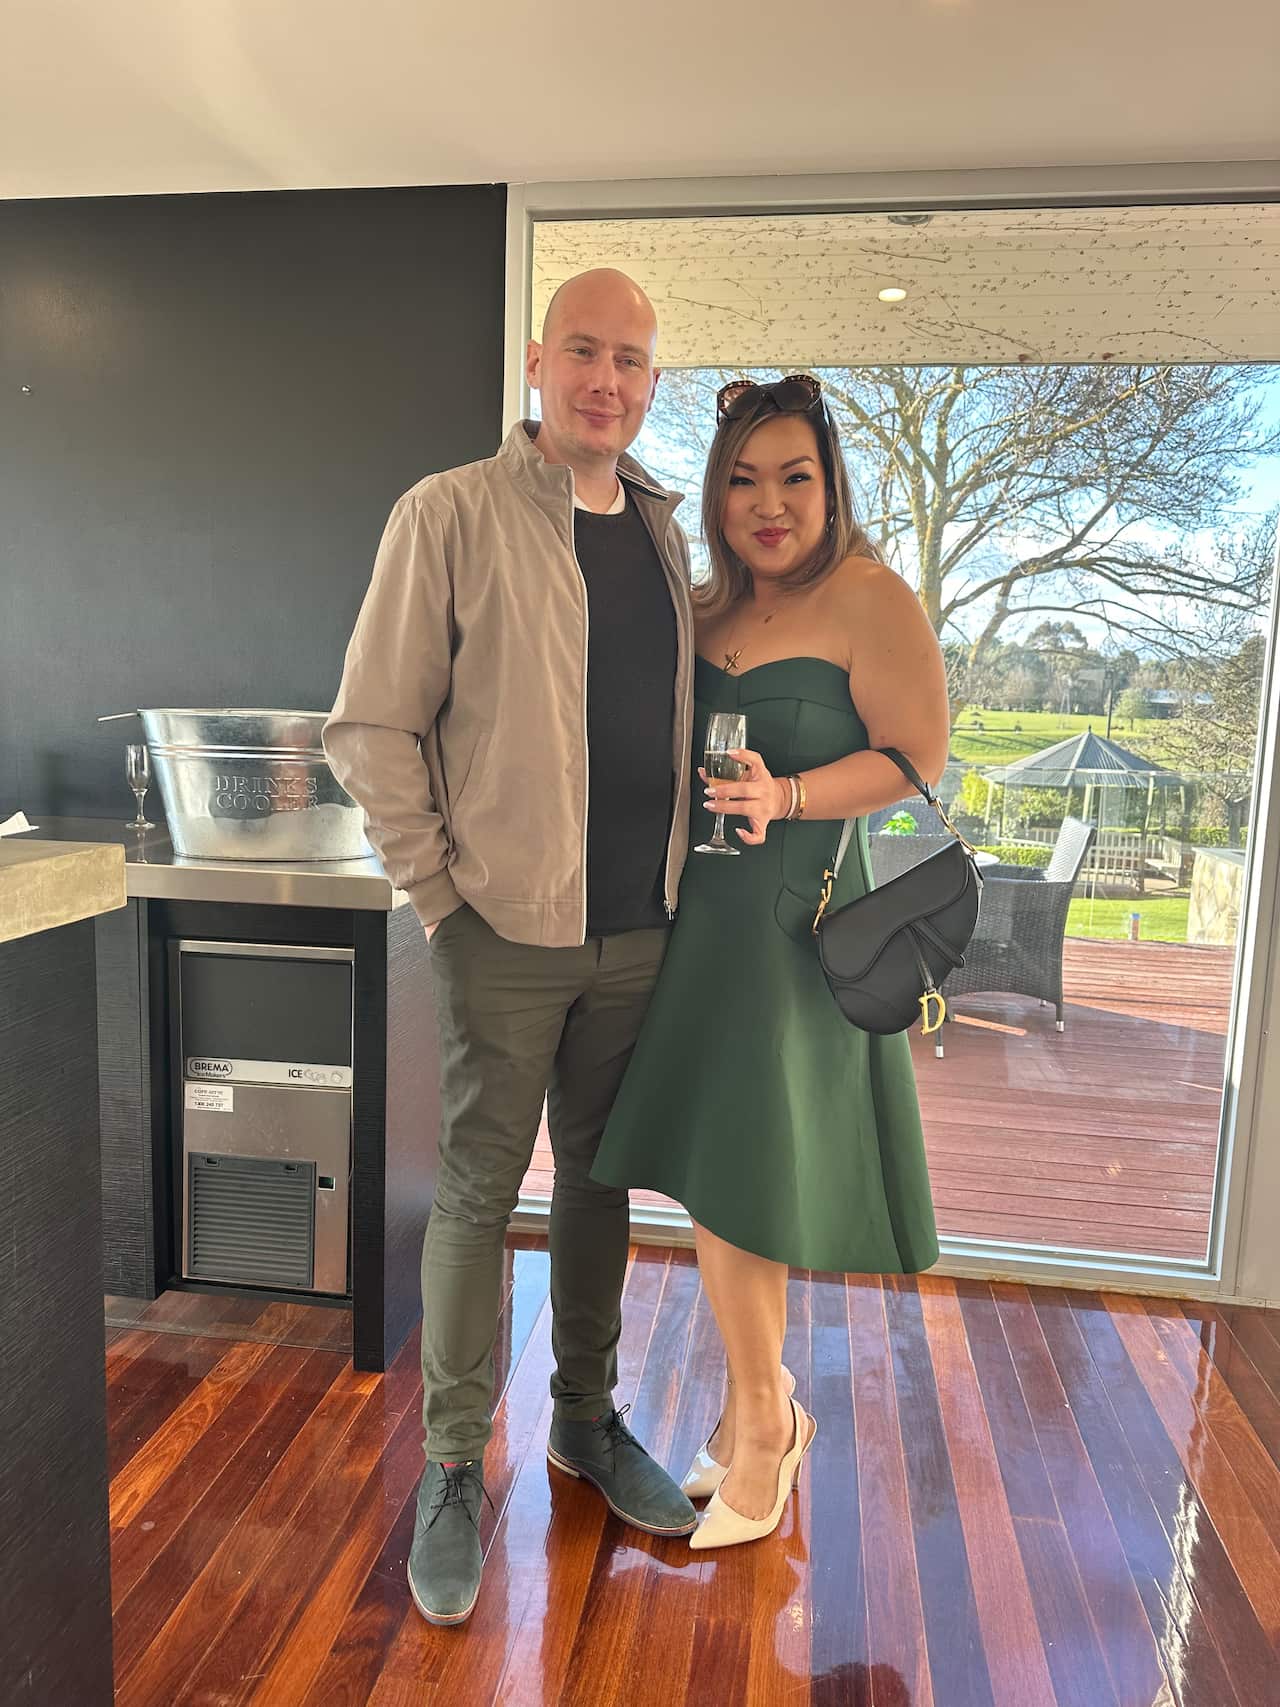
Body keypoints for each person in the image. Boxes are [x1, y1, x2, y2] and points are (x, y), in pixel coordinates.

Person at [323, 269, 699, 1627]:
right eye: (586, 350)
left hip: (640, 932)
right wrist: (441, 897)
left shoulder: (661, 530)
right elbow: (371, 726)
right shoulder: (451, 511)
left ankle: (585, 1423)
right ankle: (446, 1468)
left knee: (602, 1185)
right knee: (480, 1193)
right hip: (503, 934)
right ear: (540, 361)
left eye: (635, 359)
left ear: (654, 384)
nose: (609, 377)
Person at [591, 373, 949, 1549]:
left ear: (828, 485)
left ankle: (760, 1423)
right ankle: (769, 1407)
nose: (767, 503)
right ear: (715, 493)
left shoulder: (869, 597)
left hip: (789, 928)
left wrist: (788, 792)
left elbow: (914, 759)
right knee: (715, 1172)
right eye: (742, 479)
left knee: (745, 1173)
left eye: (793, 476)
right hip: (694, 920)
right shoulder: (702, 606)